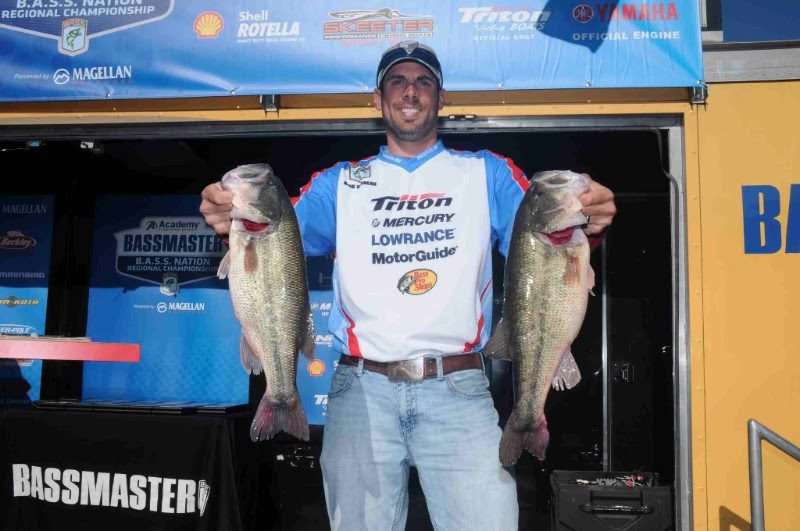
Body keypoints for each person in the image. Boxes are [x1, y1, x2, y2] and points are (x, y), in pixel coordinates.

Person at [200, 41, 616, 531]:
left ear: (442, 97)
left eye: (423, 82)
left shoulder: (487, 172)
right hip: (360, 390)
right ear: (377, 100)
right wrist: (226, 218)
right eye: (397, 82)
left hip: (458, 389)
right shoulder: (340, 182)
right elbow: (274, 235)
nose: (410, 92)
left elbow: (543, 239)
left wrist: (591, 221)